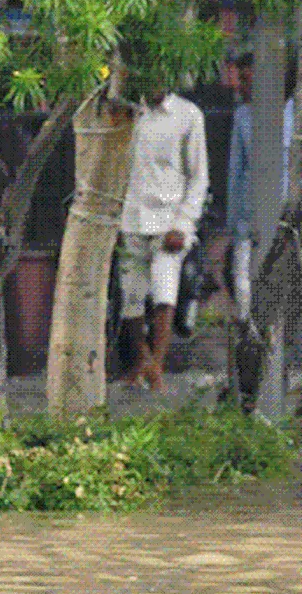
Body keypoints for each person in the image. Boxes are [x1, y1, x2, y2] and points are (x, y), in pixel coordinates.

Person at [117, 71, 209, 392]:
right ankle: (144, 361)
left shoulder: (188, 115)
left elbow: (199, 178)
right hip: (131, 216)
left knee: (164, 292)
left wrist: (183, 224)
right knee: (131, 296)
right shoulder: (131, 114)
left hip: (169, 221)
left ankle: (158, 363)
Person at [226, 51, 294, 323]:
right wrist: (235, 226)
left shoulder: (295, 114)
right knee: (244, 287)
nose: (239, 87)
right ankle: (251, 343)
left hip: (289, 221)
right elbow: (236, 172)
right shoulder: (243, 116)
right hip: (250, 222)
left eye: (245, 79)